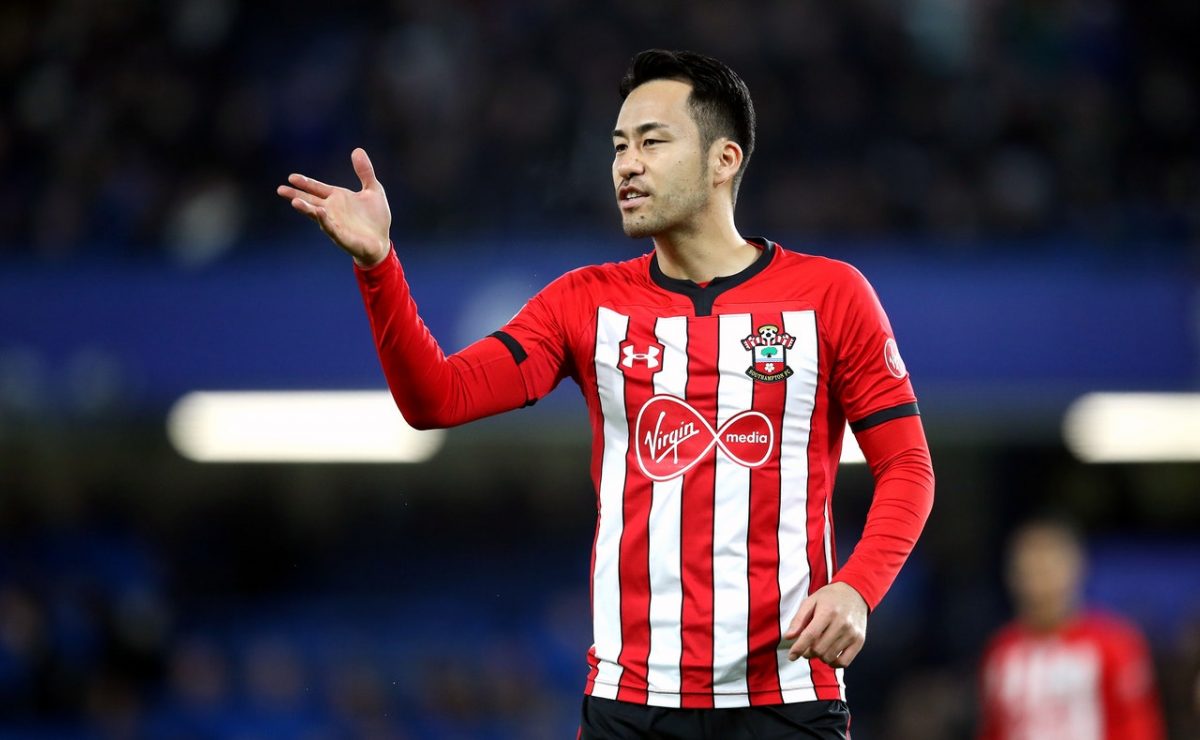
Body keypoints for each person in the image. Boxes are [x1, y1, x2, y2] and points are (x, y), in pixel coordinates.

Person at [278, 49, 935, 739]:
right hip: (632, 704)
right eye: (619, 146)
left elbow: (908, 466)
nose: (627, 165)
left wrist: (858, 587)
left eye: (652, 142)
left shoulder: (830, 296)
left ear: (724, 160)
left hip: (788, 696)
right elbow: (437, 399)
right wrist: (379, 264)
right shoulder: (583, 303)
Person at [978, 519, 1166, 740]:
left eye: (1046, 570)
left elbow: (1138, 728)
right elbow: (993, 730)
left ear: (1075, 569)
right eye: (1027, 571)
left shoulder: (1114, 643)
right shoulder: (1001, 651)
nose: (1037, 584)